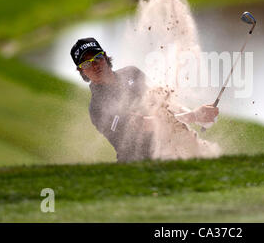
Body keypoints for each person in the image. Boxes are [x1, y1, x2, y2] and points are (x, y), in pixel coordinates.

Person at [70, 37, 219, 162]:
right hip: (137, 164)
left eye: (98, 58)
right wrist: (193, 116)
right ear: (81, 70)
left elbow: (163, 105)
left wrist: (197, 116)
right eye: (87, 63)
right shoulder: (98, 106)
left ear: (105, 56)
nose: (95, 65)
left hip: (167, 152)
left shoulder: (132, 73)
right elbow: (142, 125)